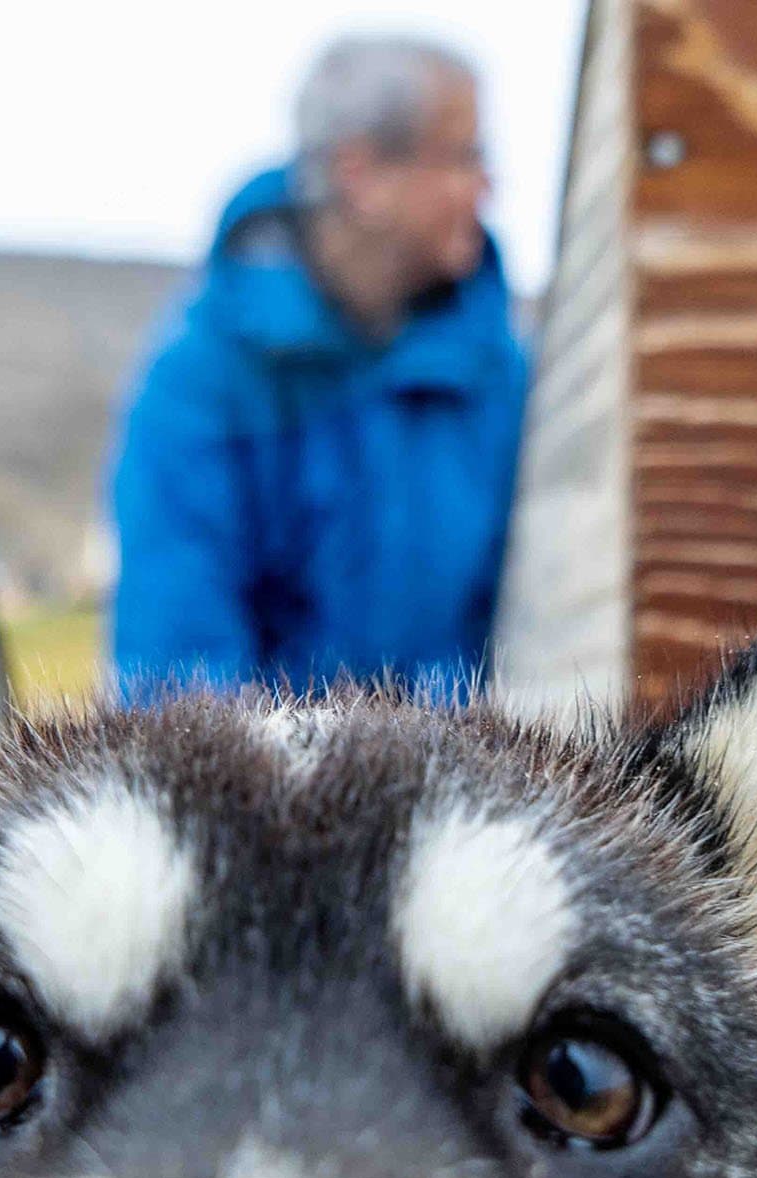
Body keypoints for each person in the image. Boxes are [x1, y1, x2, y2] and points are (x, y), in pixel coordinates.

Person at [109, 35, 528, 699]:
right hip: (262, 786)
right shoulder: (203, 382)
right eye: (462, 156)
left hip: (458, 783)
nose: (487, 187)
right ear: (361, 175)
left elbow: (534, 629)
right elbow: (177, 667)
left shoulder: (501, 379)